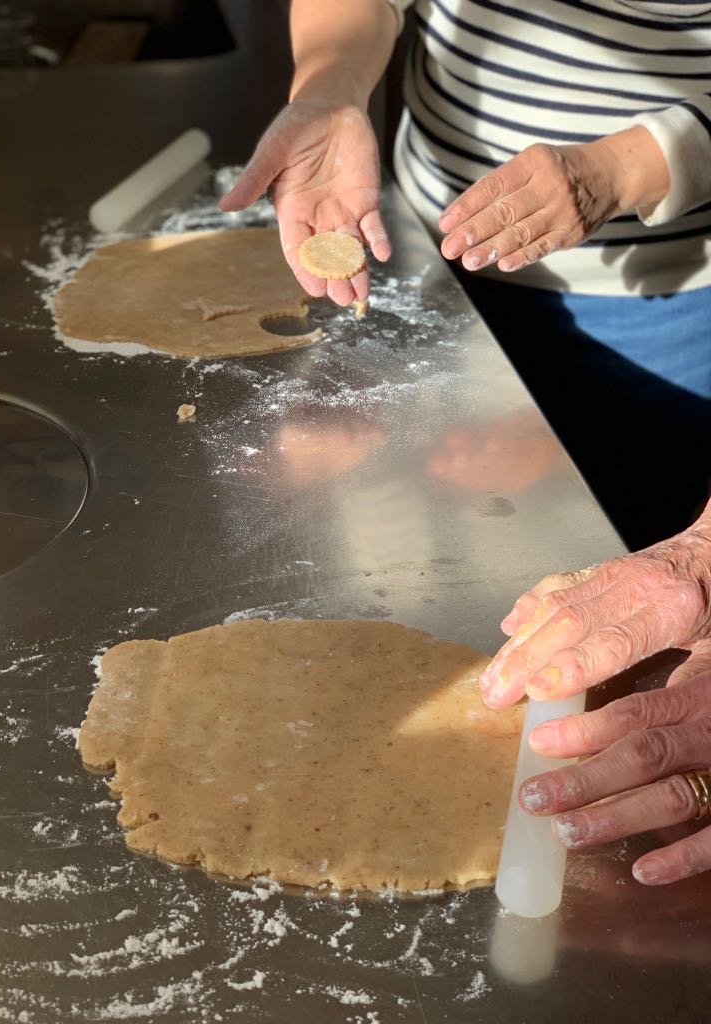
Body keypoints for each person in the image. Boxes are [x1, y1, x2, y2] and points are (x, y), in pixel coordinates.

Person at [221, 0, 711, 881]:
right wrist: (332, 86)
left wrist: (633, 166)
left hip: (669, 297)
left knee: (635, 642)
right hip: (429, 245)